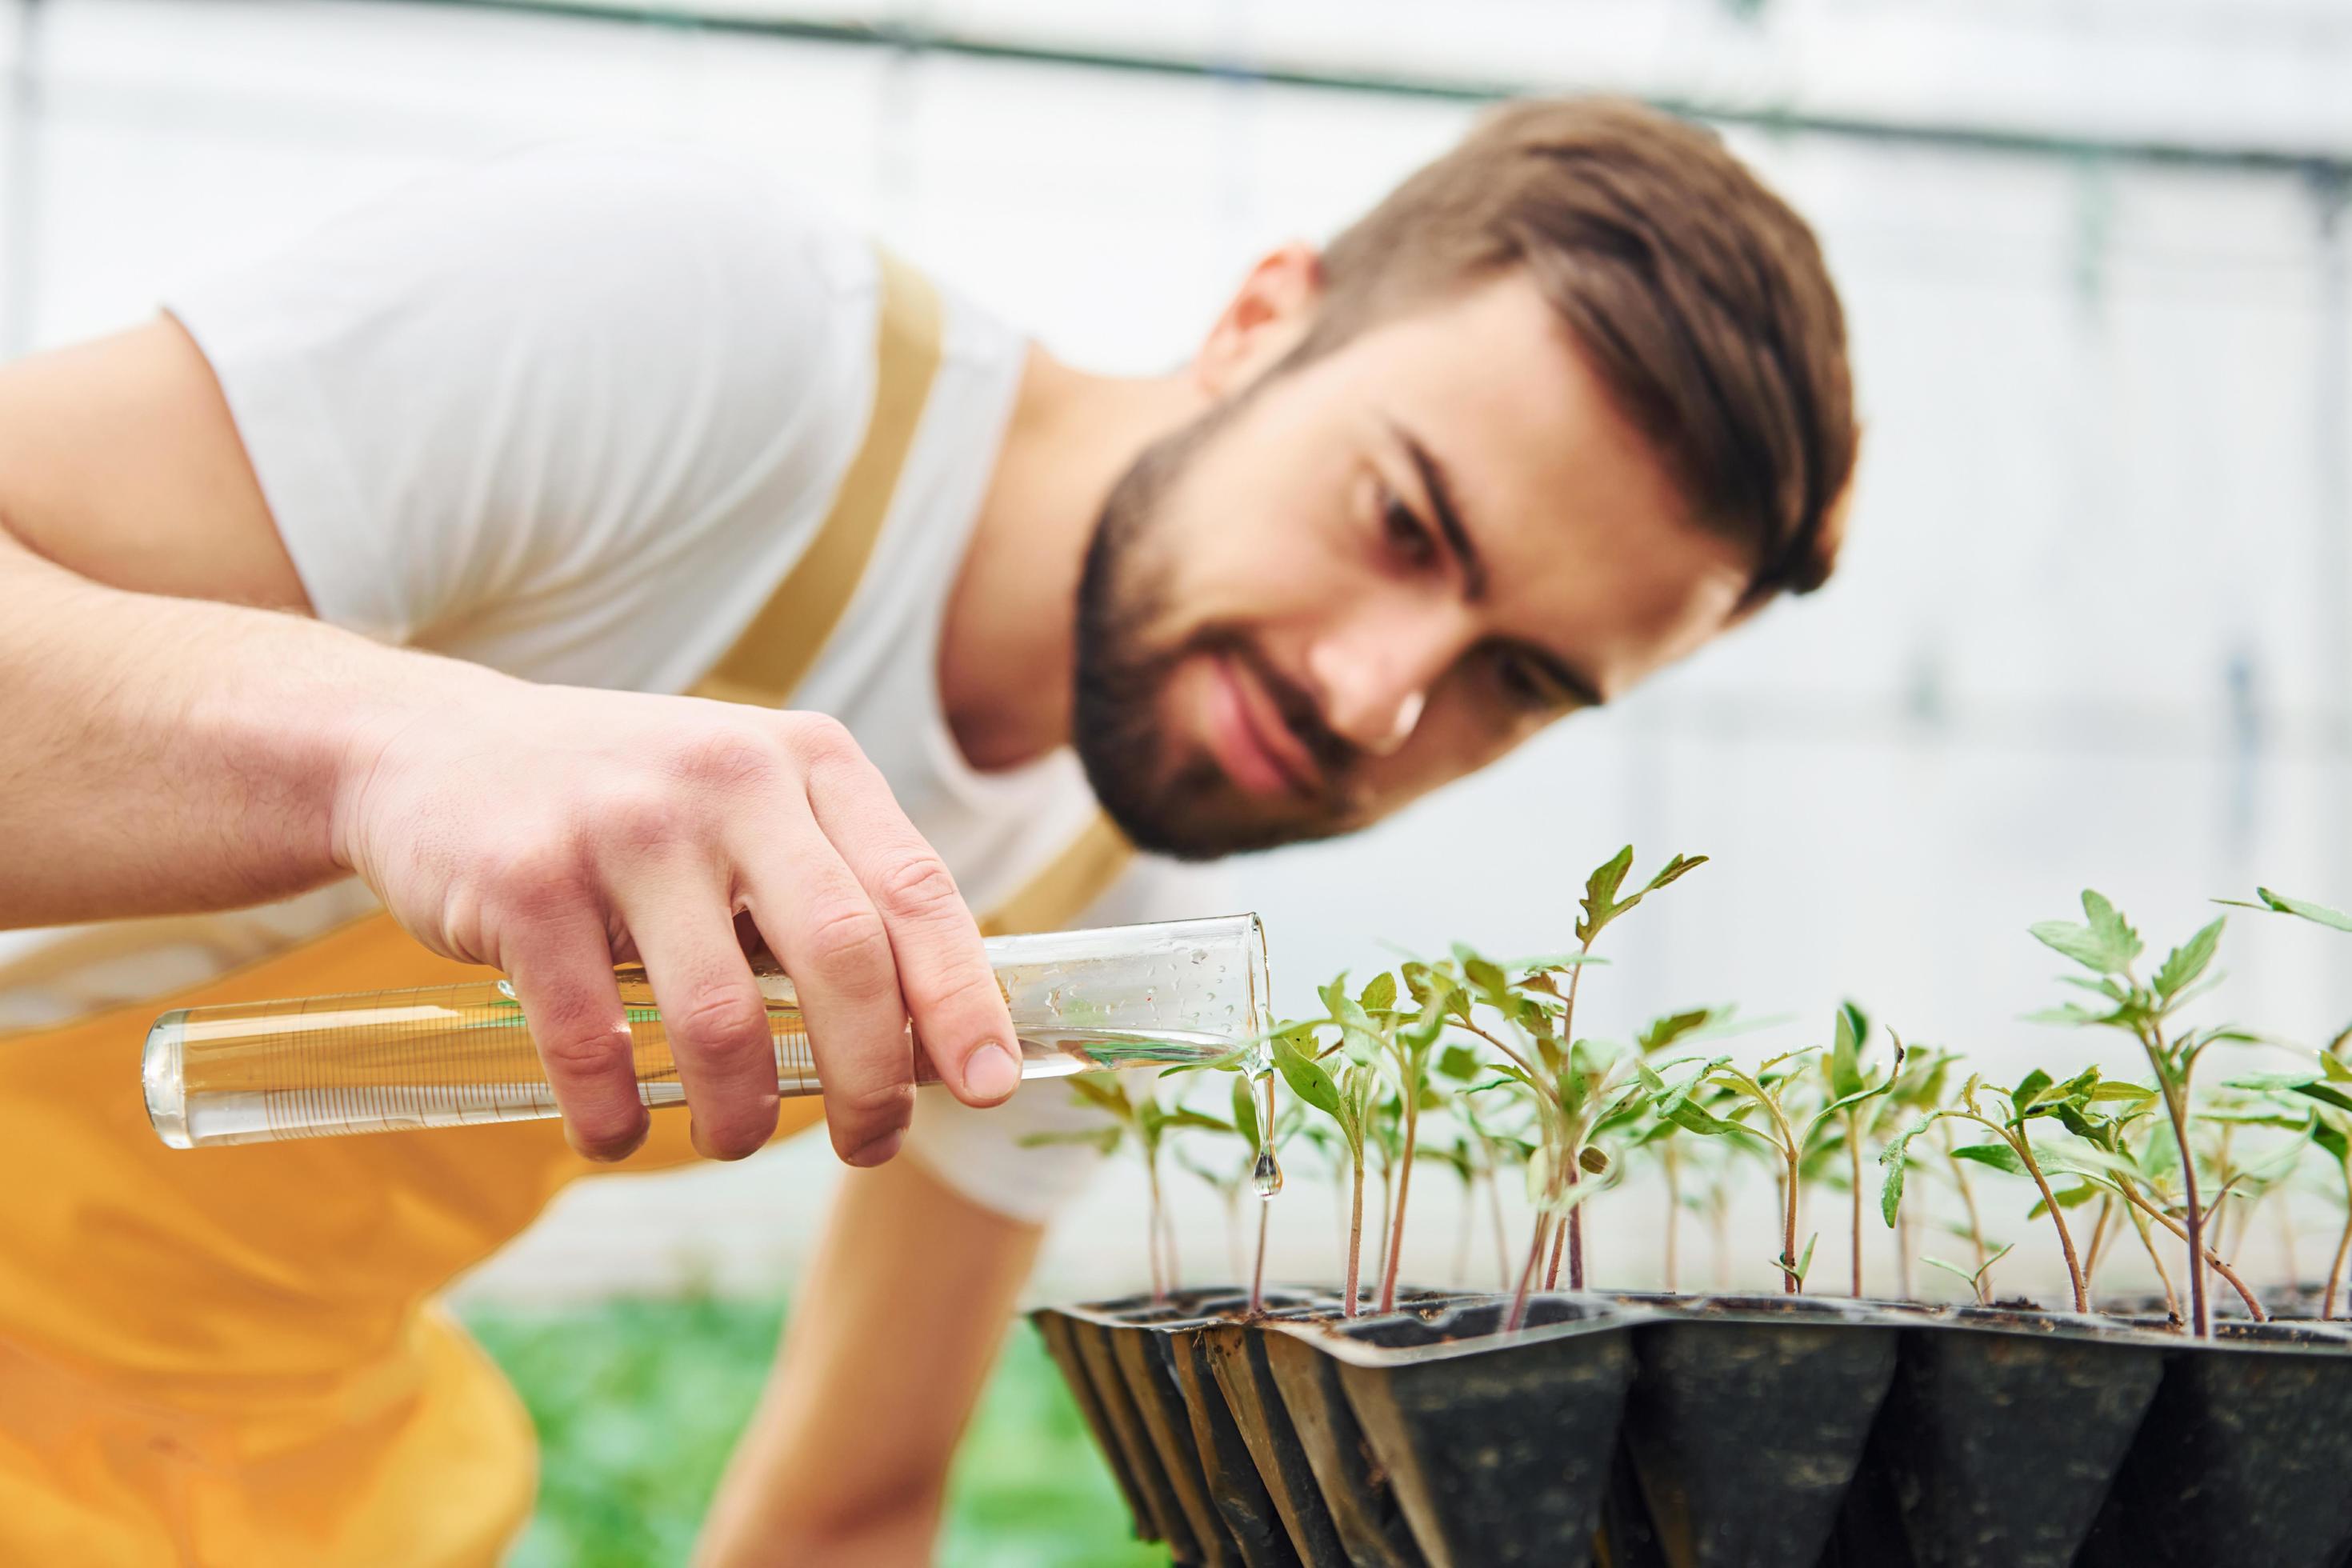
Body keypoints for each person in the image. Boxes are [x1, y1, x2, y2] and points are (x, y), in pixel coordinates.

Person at [0, 97, 1854, 1562]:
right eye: (1400, 519)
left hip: (245, 1477)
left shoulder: (1104, 893)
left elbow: (845, 1503)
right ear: (1258, 316)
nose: (1378, 695)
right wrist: (389, 746)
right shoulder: (708, 346)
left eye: (1518, 675)